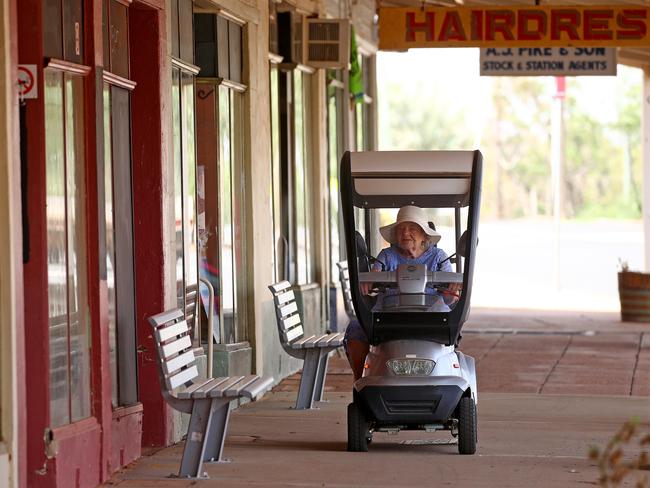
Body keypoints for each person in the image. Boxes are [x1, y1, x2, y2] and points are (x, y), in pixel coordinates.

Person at [344, 205, 461, 380]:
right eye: (401, 229)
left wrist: (453, 287)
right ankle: (360, 380)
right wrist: (369, 280)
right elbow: (375, 276)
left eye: (412, 228)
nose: (405, 233)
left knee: (451, 322)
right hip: (389, 315)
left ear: (424, 235)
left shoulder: (438, 257)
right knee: (354, 328)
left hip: (430, 316)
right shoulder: (387, 255)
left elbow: (449, 300)